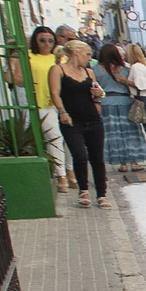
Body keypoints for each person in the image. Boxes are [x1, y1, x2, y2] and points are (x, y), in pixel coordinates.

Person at [51, 40, 108, 208]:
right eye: (88, 54)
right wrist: (62, 112)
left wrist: (98, 95)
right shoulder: (58, 70)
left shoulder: (89, 72)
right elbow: (55, 93)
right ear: (76, 52)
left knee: (97, 158)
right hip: (72, 120)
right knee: (80, 156)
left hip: (93, 119)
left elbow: (95, 95)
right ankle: (83, 189)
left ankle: (101, 194)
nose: (89, 58)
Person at [16, 26, 69, 190]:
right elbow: (17, 78)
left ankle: (70, 171)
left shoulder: (59, 58)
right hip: (42, 102)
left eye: (50, 40)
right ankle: (61, 175)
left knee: (68, 139)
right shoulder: (28, 57)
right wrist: (30, 83)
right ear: (35, 40)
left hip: (63, 101)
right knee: (54, 137)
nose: (47, 43)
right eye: (42, 40)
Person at [95, 44, 146, 172]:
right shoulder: (126, 69)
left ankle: (122, 163)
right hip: (125, 101)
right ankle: (134, 162)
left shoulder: (96, 69)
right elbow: (136, 85)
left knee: (113, 133)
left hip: (106, 102)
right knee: (130, 132)